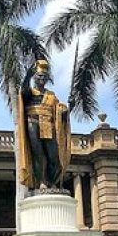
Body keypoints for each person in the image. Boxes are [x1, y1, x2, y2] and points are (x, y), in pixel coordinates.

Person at [17, 59, 71, 190]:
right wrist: (27, 75)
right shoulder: (30, 93)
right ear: (34, 77)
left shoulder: (51, 95)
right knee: (38, 156)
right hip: (33, 124)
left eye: (44, 76)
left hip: (48, 125)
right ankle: (42, 182)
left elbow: (59, 113)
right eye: (39, 76)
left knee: (54, 158)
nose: (42, 78)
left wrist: (67, 110)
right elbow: (23, 91)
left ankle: (51, 181)